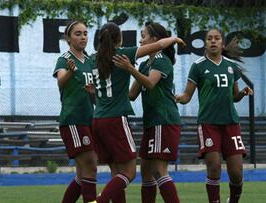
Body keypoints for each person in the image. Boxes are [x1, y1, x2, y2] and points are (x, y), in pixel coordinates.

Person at [89, 22, 185, 203]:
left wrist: (130, 69)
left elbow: (149, 83)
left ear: (154, 39)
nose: (141, 40)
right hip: (150, 122)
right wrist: (106, 93)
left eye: (143, 36)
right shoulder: (143, 65)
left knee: (158, 170)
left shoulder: (161, 60)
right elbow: (131, 95)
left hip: (163, 120)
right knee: (146, 172)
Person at [175, 28, 253, 203]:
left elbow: (234, 97)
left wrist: (243, 92)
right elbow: (187, 96)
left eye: (217, 38)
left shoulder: (231, 67)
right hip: (208, 123)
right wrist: (180, 98)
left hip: (230, 123)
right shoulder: (198, 66)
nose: (213, 41)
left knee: (236, 171)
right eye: (209, 38)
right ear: (205, 43)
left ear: (222, 43)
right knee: (214, 167)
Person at [53, 21, 97, 203]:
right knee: (90, 167)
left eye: (85, 33)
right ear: (68, 38)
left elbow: (95, 96)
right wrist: (70, 72)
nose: (83, 37)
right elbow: (61, 81)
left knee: (83, 173)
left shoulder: (89, 61)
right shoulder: (65, 59)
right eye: (78, 34)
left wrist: (94, 93)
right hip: (73, 120)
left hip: (88, 120)